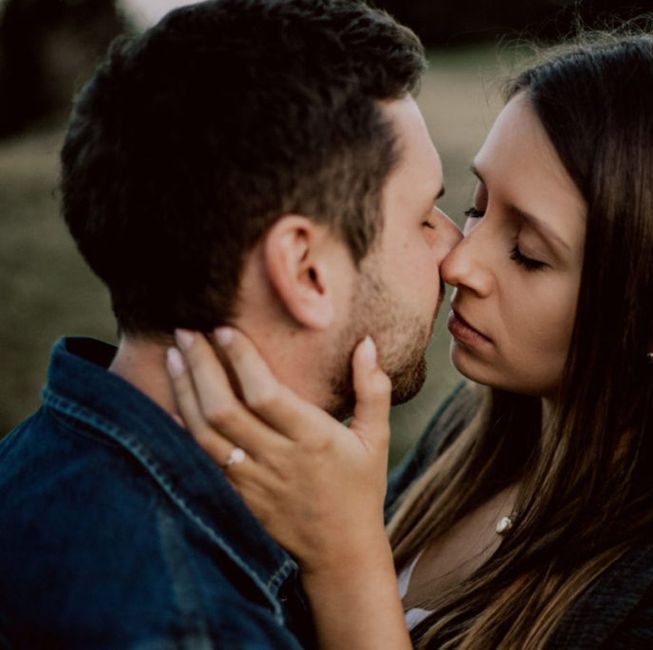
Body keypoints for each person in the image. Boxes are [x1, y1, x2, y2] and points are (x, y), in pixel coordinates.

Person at [166, 33, 653, 649]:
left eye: (528, 253)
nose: (458, 263)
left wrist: (345, 560)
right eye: (477, 205)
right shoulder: (468, 438)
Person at [0, 0, 460, 647]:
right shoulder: (189, 624)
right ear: (305, 270)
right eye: (424, 216)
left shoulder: (40, 465)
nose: (453, 250)